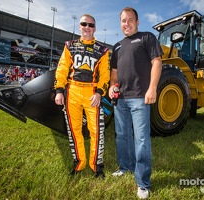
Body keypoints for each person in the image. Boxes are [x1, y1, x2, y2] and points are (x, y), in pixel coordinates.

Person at [109, 7, 163, 199]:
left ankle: (142, 183)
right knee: (122, 136)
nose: (127, 23)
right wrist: (111, 86)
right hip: (120, 99)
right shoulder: (116, 46)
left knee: (141, 139)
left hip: (140, 96)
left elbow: (157, 62)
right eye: (124, 20)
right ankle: (125, 167)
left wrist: (152, 88)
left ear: (137, 21)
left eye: (131, 20)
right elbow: (114, 73)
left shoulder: (147, 38)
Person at [54, 14, 110, 178]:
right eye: (84, 24)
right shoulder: (69, 46)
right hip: (72, 92)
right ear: (79, 26)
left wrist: (100, 92)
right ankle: (79, 164)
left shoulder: (103, 50)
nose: (87, 27)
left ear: (95, 28)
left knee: (97, 132)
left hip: (92, 92)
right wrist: (59, 90)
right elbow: (62, 69)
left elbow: (105, 75)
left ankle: (97, 166)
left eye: (91, 25)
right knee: (74, 130)